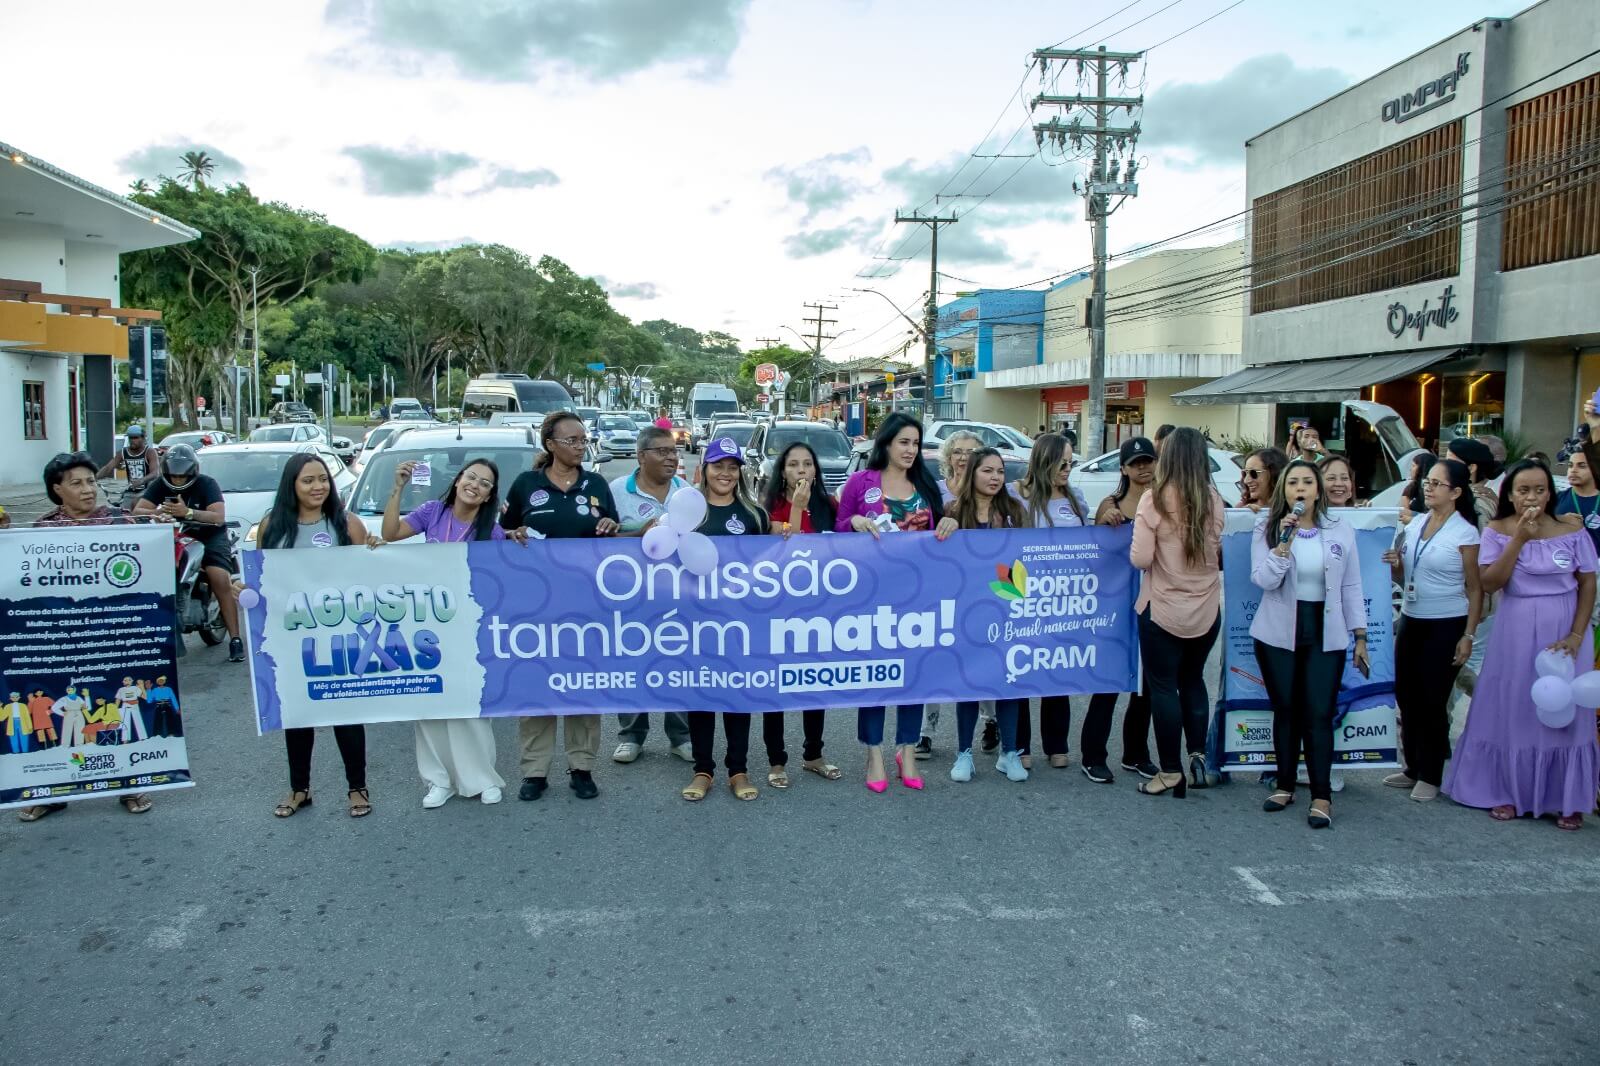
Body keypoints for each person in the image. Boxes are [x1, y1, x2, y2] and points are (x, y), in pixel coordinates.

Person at [1443, 460, 1598, 831]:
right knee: (1514, 710)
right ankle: (1506, 789)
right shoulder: (1497, 531)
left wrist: (1577, 634)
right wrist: (1520, 539)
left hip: (1566, 633)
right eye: (1523, 490)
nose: (1532, 497)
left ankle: (1565, 798)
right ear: (1509, 494)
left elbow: (1588, 584)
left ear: (1550, 493)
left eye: (1540, 490)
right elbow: (1490, 582)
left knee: (1566, 714)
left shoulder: (1571, 531)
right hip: (1514, 632)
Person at [19, 453, 153, 821]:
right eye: (76, 483)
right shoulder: (40, 534)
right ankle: (51, 789)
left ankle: (131, 783)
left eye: (91, 481)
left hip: (114, 638)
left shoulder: (123, 523)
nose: (87, 489)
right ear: (56, 490)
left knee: (118, 711)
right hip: (63, 642)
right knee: (60, 713)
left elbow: (150, 573)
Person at [383, 457, 520, 808]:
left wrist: (514, 536)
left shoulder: (490, 529)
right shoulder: (432, 512)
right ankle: (438, 780)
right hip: (427, 624)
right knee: (429, 703)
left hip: (468, 627)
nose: (475, 485)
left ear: (490, 495)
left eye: (485, 483)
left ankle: (483, 778)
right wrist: (397, 488)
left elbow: (506, 568)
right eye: (471, 477)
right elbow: (390, 534)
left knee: (470, 703)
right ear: (459, 480)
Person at [258, 453, 382, 818]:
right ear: (292, 486)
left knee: (345, 711)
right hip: (291, 636)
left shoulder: (346, 523)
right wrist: (241, 587)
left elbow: (371, 578)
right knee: (297, 714)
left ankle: (357, 788)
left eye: (323, 479)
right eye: (308, 480)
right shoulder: (272, 526)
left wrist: (376, 552)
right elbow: (260, 576)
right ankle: (300, 789)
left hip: (338, 635)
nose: (317, 487)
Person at [502, 412, 618, 801]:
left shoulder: (596, 483)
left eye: (584, 440)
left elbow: (614, 534)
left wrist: (610, 527)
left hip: (587, 606)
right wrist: (510, 533)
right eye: (572, 440)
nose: (581, 446)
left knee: (583, 684)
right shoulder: (525, 485)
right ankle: (534, 771)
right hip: (536, 606)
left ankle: (581, 767)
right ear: (550, 444)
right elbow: (501, 535)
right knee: (538, 684)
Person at [1251, 459, 1369, 829]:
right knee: (1286, 710)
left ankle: (1321, 795)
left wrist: (1360, 635)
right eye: (1291, 483)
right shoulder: (1268, 526)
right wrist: (1282, 547)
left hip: (1326, 631)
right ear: (1284, 491)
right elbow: (1263, 580)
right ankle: (1285, 784)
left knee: (1318, 713)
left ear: (1318, 489)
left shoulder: (1340, 529)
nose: (1299, 489)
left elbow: (1351, 586)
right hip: (1277, 632)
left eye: (1306, 482)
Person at [835, 412, 944, 792]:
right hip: (871, 598)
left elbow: (943, 532)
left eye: (916, 443)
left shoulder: (926, 485)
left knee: (915, 677)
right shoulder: (860, 482)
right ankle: (875, 753)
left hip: (918, 598)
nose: (911, 450)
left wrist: (951, 525)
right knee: (876, 676)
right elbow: (837, 530)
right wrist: (854, 524)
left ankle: (908, 751)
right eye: (904, 442)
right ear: (886, 443)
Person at [1130, 428, 1225, 800]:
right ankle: (1197, 755)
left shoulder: (1153, 500)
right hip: (1205, 608)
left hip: (1163, 608)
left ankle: (1170, 771)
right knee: (1194, 680)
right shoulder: (1215, 499)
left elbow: (1139, 558)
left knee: (1163, 688)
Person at [1381, 458, 1482, 802]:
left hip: (1447, 621)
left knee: (1432, 698)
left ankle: (1431, 772)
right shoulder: (1415, 525)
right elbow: (1403, 576)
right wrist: (1396, 566)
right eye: (1427, 481)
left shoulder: (1465, 532)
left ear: (1455, 492)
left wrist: (1468, 635)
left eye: (1437, 483)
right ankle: (1412, 766)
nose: (1428, 487)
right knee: (1406, 694)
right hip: (1412, 616)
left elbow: (1475, 587)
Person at [680, 437, 769, 801]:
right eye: (719, 466)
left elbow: (769, 568)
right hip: (695, 622)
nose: (726, 473)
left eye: (733, 467)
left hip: (740, 624)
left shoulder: (753, 514)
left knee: (737, 696)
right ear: (705, 469)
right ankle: (703, 770)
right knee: (700, 696)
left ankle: (739, 770)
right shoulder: (688, 513)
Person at [934, 448, 1030, 783]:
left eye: (1000, 472)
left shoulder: (1015, 511)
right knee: (967, 682)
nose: (995, 478)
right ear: (972, 473)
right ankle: (964, 754)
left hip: (1006, 608)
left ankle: (1009, 754)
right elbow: (939, 562)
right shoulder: (953, 511)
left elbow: (1026, 559)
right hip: (966, 611)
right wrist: (945, 528)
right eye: (987, 470)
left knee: (1008, 682)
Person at [607, 427, 693, 765]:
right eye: (662, 451)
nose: (672, 457)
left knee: (679, 664)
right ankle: (631, 735)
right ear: (641, 456)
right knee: (632, 663)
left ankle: (681, 736)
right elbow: (597, 544)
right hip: (630, 597)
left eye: (674, 451)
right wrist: (637, 535)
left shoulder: (686, 492)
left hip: (677, 597)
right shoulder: (615, 492)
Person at [760, 440, 842, 786]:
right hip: (778, 609)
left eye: (807, 464)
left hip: (818, 610)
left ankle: (814, 754)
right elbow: (788, 546)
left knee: (814, 684)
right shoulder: (769, 507)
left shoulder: (829, 505)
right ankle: (776, 761)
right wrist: (796, 508)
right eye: (793, 465)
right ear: (783, 472)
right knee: (775, 688)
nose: (801, 471)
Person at [1083, 437, 1159, 782]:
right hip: (1114, 606)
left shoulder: (1165, 502)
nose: (1144, 468)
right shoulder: (1110, 503)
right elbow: (1092, 554)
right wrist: (1103, 523)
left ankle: (1136, 753)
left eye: (1148, 461)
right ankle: (1093, 755)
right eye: (1136, 462)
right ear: (1124, 468)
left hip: (1156, 603)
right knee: (1109, 682)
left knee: (1146, 686)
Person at [1010, 432, 1089, 769]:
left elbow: (1090, 541)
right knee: (1021, 670)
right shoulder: (1018, 495)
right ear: (1045, 461)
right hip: (1023, 596)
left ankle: (1056, 743)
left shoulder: (1075, 498)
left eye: (1071, 463)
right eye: (1062, 463)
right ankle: (1020, 745)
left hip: (1062, 601)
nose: (1068, 469)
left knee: (1057, 668)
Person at [131, 444, 243, 662]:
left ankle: (235, 639)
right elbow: (138, 510)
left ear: (193, 471)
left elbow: (218, 516)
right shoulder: (159, 485)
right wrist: (159, 512)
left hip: (209, 536)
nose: (177, 480)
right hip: (176, 537)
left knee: (219, 577)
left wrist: (188, 512)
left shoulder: (207, 484)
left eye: (182, 476)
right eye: (173, 476)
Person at [98, 424, 161, 503]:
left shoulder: (149, 452)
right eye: (130, 437)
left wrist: (141, 481)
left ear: (143, 438)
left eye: (135, 437)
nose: (132, 440)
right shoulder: (123, 452)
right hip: (131, 491)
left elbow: (155, 473)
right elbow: (108, 468)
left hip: (147, 491)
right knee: (122, 510)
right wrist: (93, 478)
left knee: (138, 507)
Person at [935, 430, 981, 505]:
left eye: (970, 453)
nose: (963, 458)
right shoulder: (935, 489)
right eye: (957, 452)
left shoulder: (987, 491)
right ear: (948, 458)